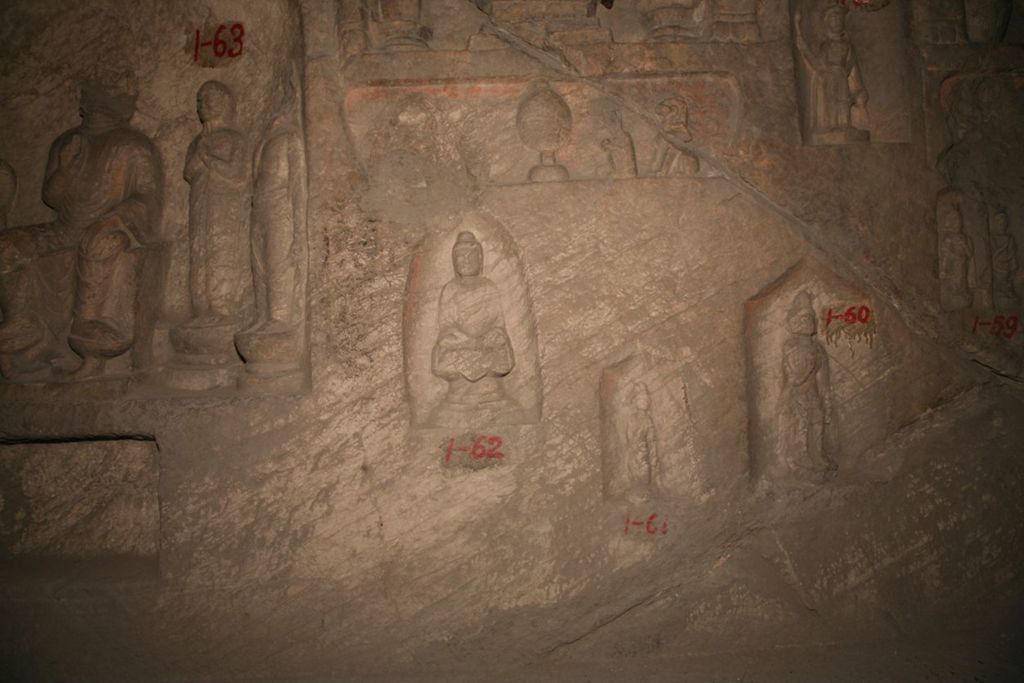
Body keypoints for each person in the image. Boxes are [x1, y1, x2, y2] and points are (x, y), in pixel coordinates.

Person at [0, 79, 163, 379]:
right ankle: (22, 327)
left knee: (101, 244)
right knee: (8, 244)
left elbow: (147, 198)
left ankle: (88, 328)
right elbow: (51, 197)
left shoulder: (134, 146)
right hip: (65, 229)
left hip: (110, 228)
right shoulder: (67, 142)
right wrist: (64, 167)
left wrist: (112, 218)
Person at [430, 231, 520, 426]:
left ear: (480, 260)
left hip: (486, 344)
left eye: (471, 256)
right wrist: (461, 339)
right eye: (461, 257)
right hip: (459, 344)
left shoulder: (489, 287)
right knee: (445, 349)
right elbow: (446, 326)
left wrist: (492, 335)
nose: (466, 261)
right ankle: (460, 395)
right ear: (454, 261)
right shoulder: (450, 289)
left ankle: (490, 394)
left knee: (500, 344)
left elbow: (498, 323)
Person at [181, 80, 249, 328]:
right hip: (200, 204)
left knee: (221, 253)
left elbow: (237, 174)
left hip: (225, 208)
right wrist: (202, 152)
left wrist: (207, 158)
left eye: (210, 99)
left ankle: (222, 308)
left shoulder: (233, 138)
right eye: (200, 100)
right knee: (199, 253)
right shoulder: (197, 142)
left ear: (224, 103)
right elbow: (188, 173)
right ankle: (201, 310)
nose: (204, 105)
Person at [777, 291, 835, 480]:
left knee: (817, 421)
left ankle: (817, 454)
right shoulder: (790, 346)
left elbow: (824, 379)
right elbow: (793, 378)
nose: (808, 322)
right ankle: (800, 456)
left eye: (810, 318)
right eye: (803, 318)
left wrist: (827, 400)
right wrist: (807, 368)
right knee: (801, 425)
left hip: (813, 394)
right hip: (796, 395)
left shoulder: (818, 349)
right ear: (794, 322)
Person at [794, 6, 868, 143]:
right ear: (827, 23)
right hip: (828, 79)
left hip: (842, 78)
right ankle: (830, 125)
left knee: (843, 102)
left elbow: (852, 68)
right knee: (831, 103)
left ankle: (843, 124)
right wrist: (799, 36)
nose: (836, 22)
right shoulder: (825, 46)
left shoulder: (848, 46)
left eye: (838, 19)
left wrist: (858, 90)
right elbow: (818, 64)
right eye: (833, 19)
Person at [937, 201, 974, 311]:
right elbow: (945, 256)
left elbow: (970, 254)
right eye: (955, 221)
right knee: (955, 282)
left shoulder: (965, 238)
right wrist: (944, 269)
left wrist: (964, 245)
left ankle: (962, 294)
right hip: (953, 266)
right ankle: (956, 295)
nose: (957, 224)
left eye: (959, 221)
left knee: (962, 281)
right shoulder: (948, 239)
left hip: (963, 265)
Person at [990, 210, 1019, 309]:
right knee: (999, 281)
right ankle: (999, 291)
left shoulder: (1009, 239)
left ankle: (1007, 290)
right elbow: (992, 254)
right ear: (995, 224)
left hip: (1007, 265)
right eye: (999, 222)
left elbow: (1012, 253)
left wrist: (1012, 264)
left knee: (1008, 281)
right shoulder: (992, 239)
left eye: (1004, 222)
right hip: (996, 266)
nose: (1002, 225)